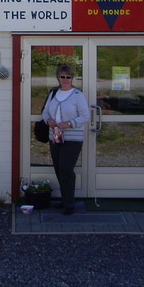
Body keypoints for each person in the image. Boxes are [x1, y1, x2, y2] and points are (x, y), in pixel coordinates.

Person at [41, 64, 90, 215]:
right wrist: (48, 120)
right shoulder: (53, 93)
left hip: (72, 138)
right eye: (62, 76)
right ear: (58, 77)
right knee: (58, 169)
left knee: (66, 169)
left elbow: (85, 116)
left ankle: (69, 204)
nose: (65, 79)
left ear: (72, 78)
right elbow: (45, 112)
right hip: (55, 136)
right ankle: (65, 199)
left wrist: (69, 124)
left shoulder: (77, 95)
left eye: (68, 77)